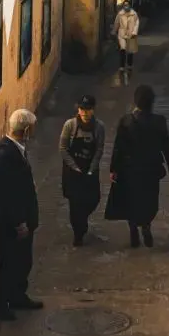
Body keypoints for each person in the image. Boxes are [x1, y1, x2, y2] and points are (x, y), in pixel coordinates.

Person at [0, 108, 42, 322]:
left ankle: (18, 296)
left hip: (23, 219)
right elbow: (7, 194)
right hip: (12, 223)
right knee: (9, 262)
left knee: (22, 261)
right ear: (27, 129)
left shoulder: (15, 149)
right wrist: (19, 222)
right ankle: (0, 303)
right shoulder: (5, 155)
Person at [107, 83, 169, 248]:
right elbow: (166, 145)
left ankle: (133, 230)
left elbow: (118, 148)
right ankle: (146, 225)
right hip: (151, 170)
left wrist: (113, 169)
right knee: (149, 199)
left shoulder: (126, 122)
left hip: (130, 170)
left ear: (136, 102)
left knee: (131, 200)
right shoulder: (159, 122)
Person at [59, 93, 105, 246]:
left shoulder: (99, 127)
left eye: (88, 109)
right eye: (82, 109)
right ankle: (78, 233)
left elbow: (99, 149)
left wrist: (92, 169)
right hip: (73, 172)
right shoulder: (70, 125)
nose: (85, 113)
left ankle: (82, 219)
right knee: (75, 203)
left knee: (94, 198)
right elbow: (63, 148)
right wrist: (74, 167)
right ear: (78, 110)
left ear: (93, 110)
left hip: (90, 169)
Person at [111, 0, 140, 85]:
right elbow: (116, 23)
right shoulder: (120, 14)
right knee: (122, 50)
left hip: (131, 34)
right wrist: (114, 31)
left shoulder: (134, 14)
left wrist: (134, 32)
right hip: (122, 34)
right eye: (125, 5)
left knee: (130, 51)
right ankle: (122, 66)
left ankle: (130, 65)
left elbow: (137, 23)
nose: (126, 6)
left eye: (127, 5)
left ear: (130, 6)